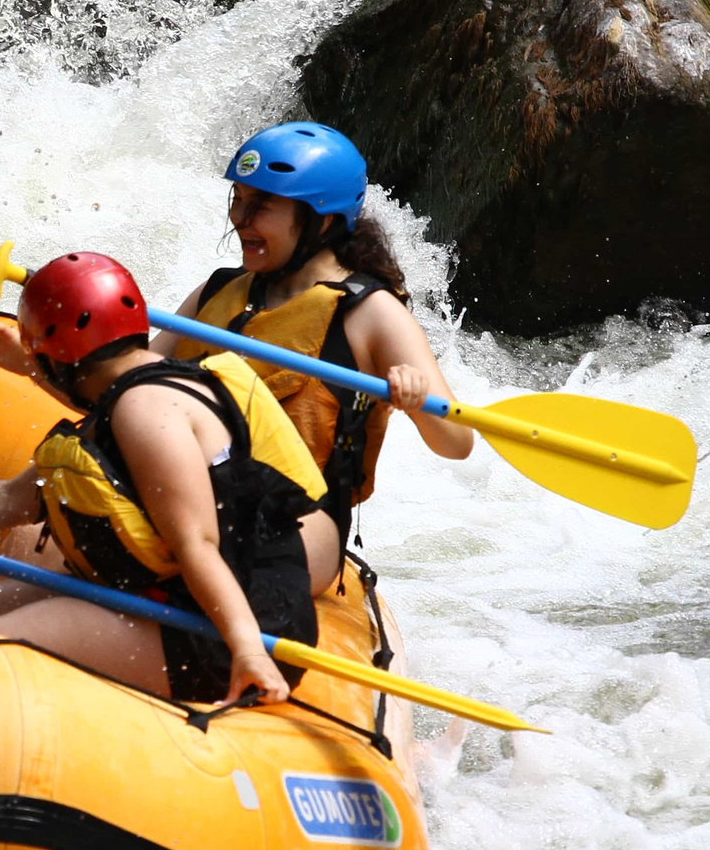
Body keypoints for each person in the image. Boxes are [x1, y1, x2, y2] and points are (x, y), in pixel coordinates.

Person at [0, 253, 334, 706]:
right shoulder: (134, 394)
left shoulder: (145, 411)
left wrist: (248, 651)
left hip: (227, 630)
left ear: (58, 360)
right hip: (179, 602)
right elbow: (4, 499)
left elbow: (198, 543)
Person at [156, 123, 473, 545]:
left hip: (288, 527)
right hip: (181, 496)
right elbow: (135, 377)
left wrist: (417, 399)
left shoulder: (372, 313)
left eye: (261, 205)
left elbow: (457, 443)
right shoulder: (217, 290)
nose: (240, 219)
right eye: (239, 199)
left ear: (321, 222)